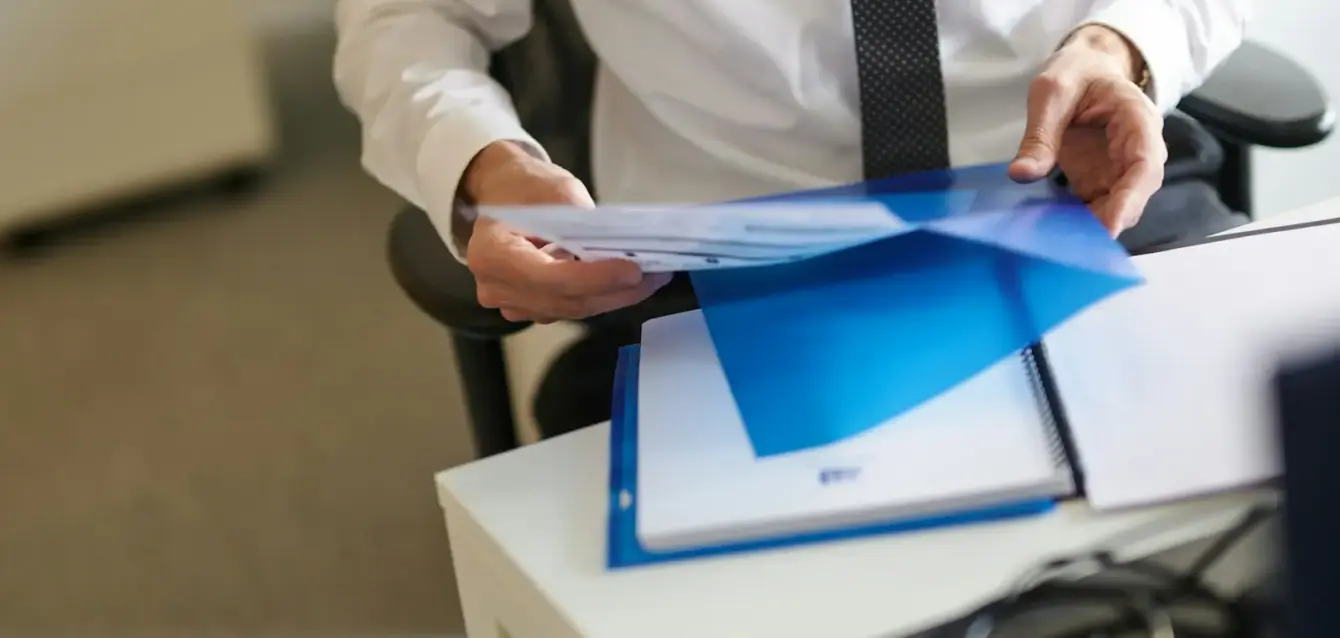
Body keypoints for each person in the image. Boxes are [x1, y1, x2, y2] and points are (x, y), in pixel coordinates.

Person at [334, 0, 1250, 437]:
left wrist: (1125, 42)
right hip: (721, 257)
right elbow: (404, 19)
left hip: (1077, 186)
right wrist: (479, 166)